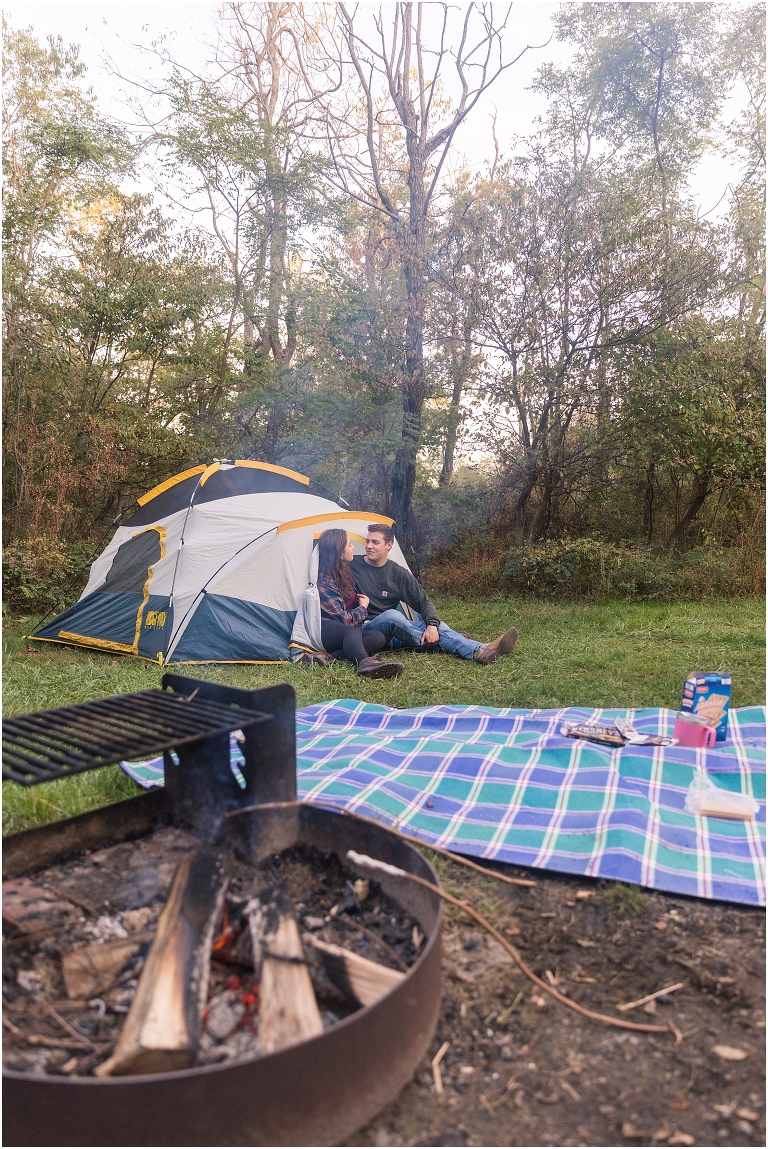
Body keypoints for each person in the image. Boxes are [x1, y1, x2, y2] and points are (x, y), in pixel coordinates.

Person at [350, 524, 519, 664]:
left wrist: (431, 626)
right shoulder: (352, 564)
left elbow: (423, 602)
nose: (369, 546)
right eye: (367, 541)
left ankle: (480, 651)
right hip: (367, 630)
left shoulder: (398, 574)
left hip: (392, 636)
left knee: (436, 626)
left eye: (375, 542)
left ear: (389, 545)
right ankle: (460, 642)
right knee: (393, 616)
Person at [317, 528, 404, 679]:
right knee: (352, 632)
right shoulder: (325, 580)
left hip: (347, 630)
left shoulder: (344, 572)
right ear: (339, 552)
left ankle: (329, 658)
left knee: (378, 637)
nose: (353, 548)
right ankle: (364, 663)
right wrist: (363, 608)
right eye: (349, 545)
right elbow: (342, 619)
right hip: (326, 629)